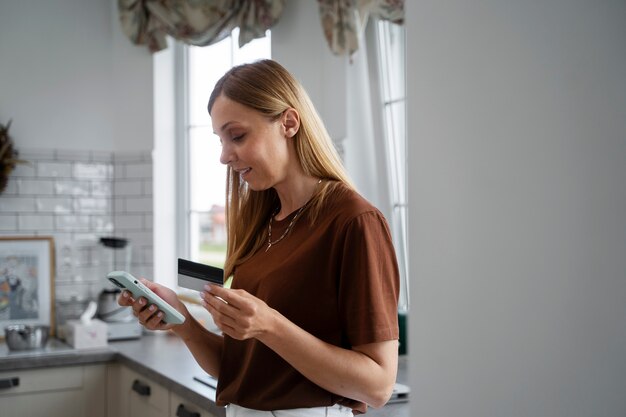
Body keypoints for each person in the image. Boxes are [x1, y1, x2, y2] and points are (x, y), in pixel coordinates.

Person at [118, 59, 400, 416]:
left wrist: (270, 326)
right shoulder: (262, 225)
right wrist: (183, 322)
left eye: (237, 136)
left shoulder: (354, 222)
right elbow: (240, 371)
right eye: (220, 140)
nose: (224, 156)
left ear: (289, 123)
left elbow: (377, 386)